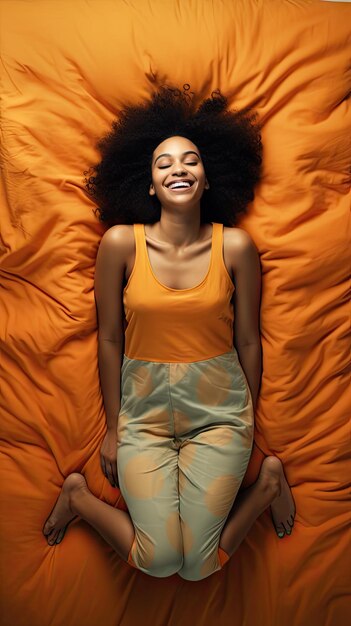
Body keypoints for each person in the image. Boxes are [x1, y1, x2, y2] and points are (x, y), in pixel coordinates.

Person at [43, 84, 296, 581]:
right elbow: (110, 339)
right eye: (164, 164)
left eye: (191, 161)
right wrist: (115, 428)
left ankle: (267, 484)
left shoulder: (237, 248)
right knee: (160, 562)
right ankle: (77, 497)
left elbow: (248, 340)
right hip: (144, 419)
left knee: (199, 567)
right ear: (150, 187)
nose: (178, 168)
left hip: (220, 417)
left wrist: (245, 418)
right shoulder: (120, 245)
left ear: (206, 181)